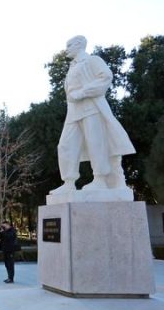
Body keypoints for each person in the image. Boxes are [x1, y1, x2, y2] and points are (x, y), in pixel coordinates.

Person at [51, 35, 136, 195]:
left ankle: (100, 179)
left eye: (69, 45)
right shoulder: (72, 66)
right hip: (74, 112)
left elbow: (106, 77)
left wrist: (83, 92)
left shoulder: (92, 60)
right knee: (65, 145)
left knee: (96, 143)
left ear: (79, 45)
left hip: (92, 108)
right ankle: (69, 182)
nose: (66, 49)